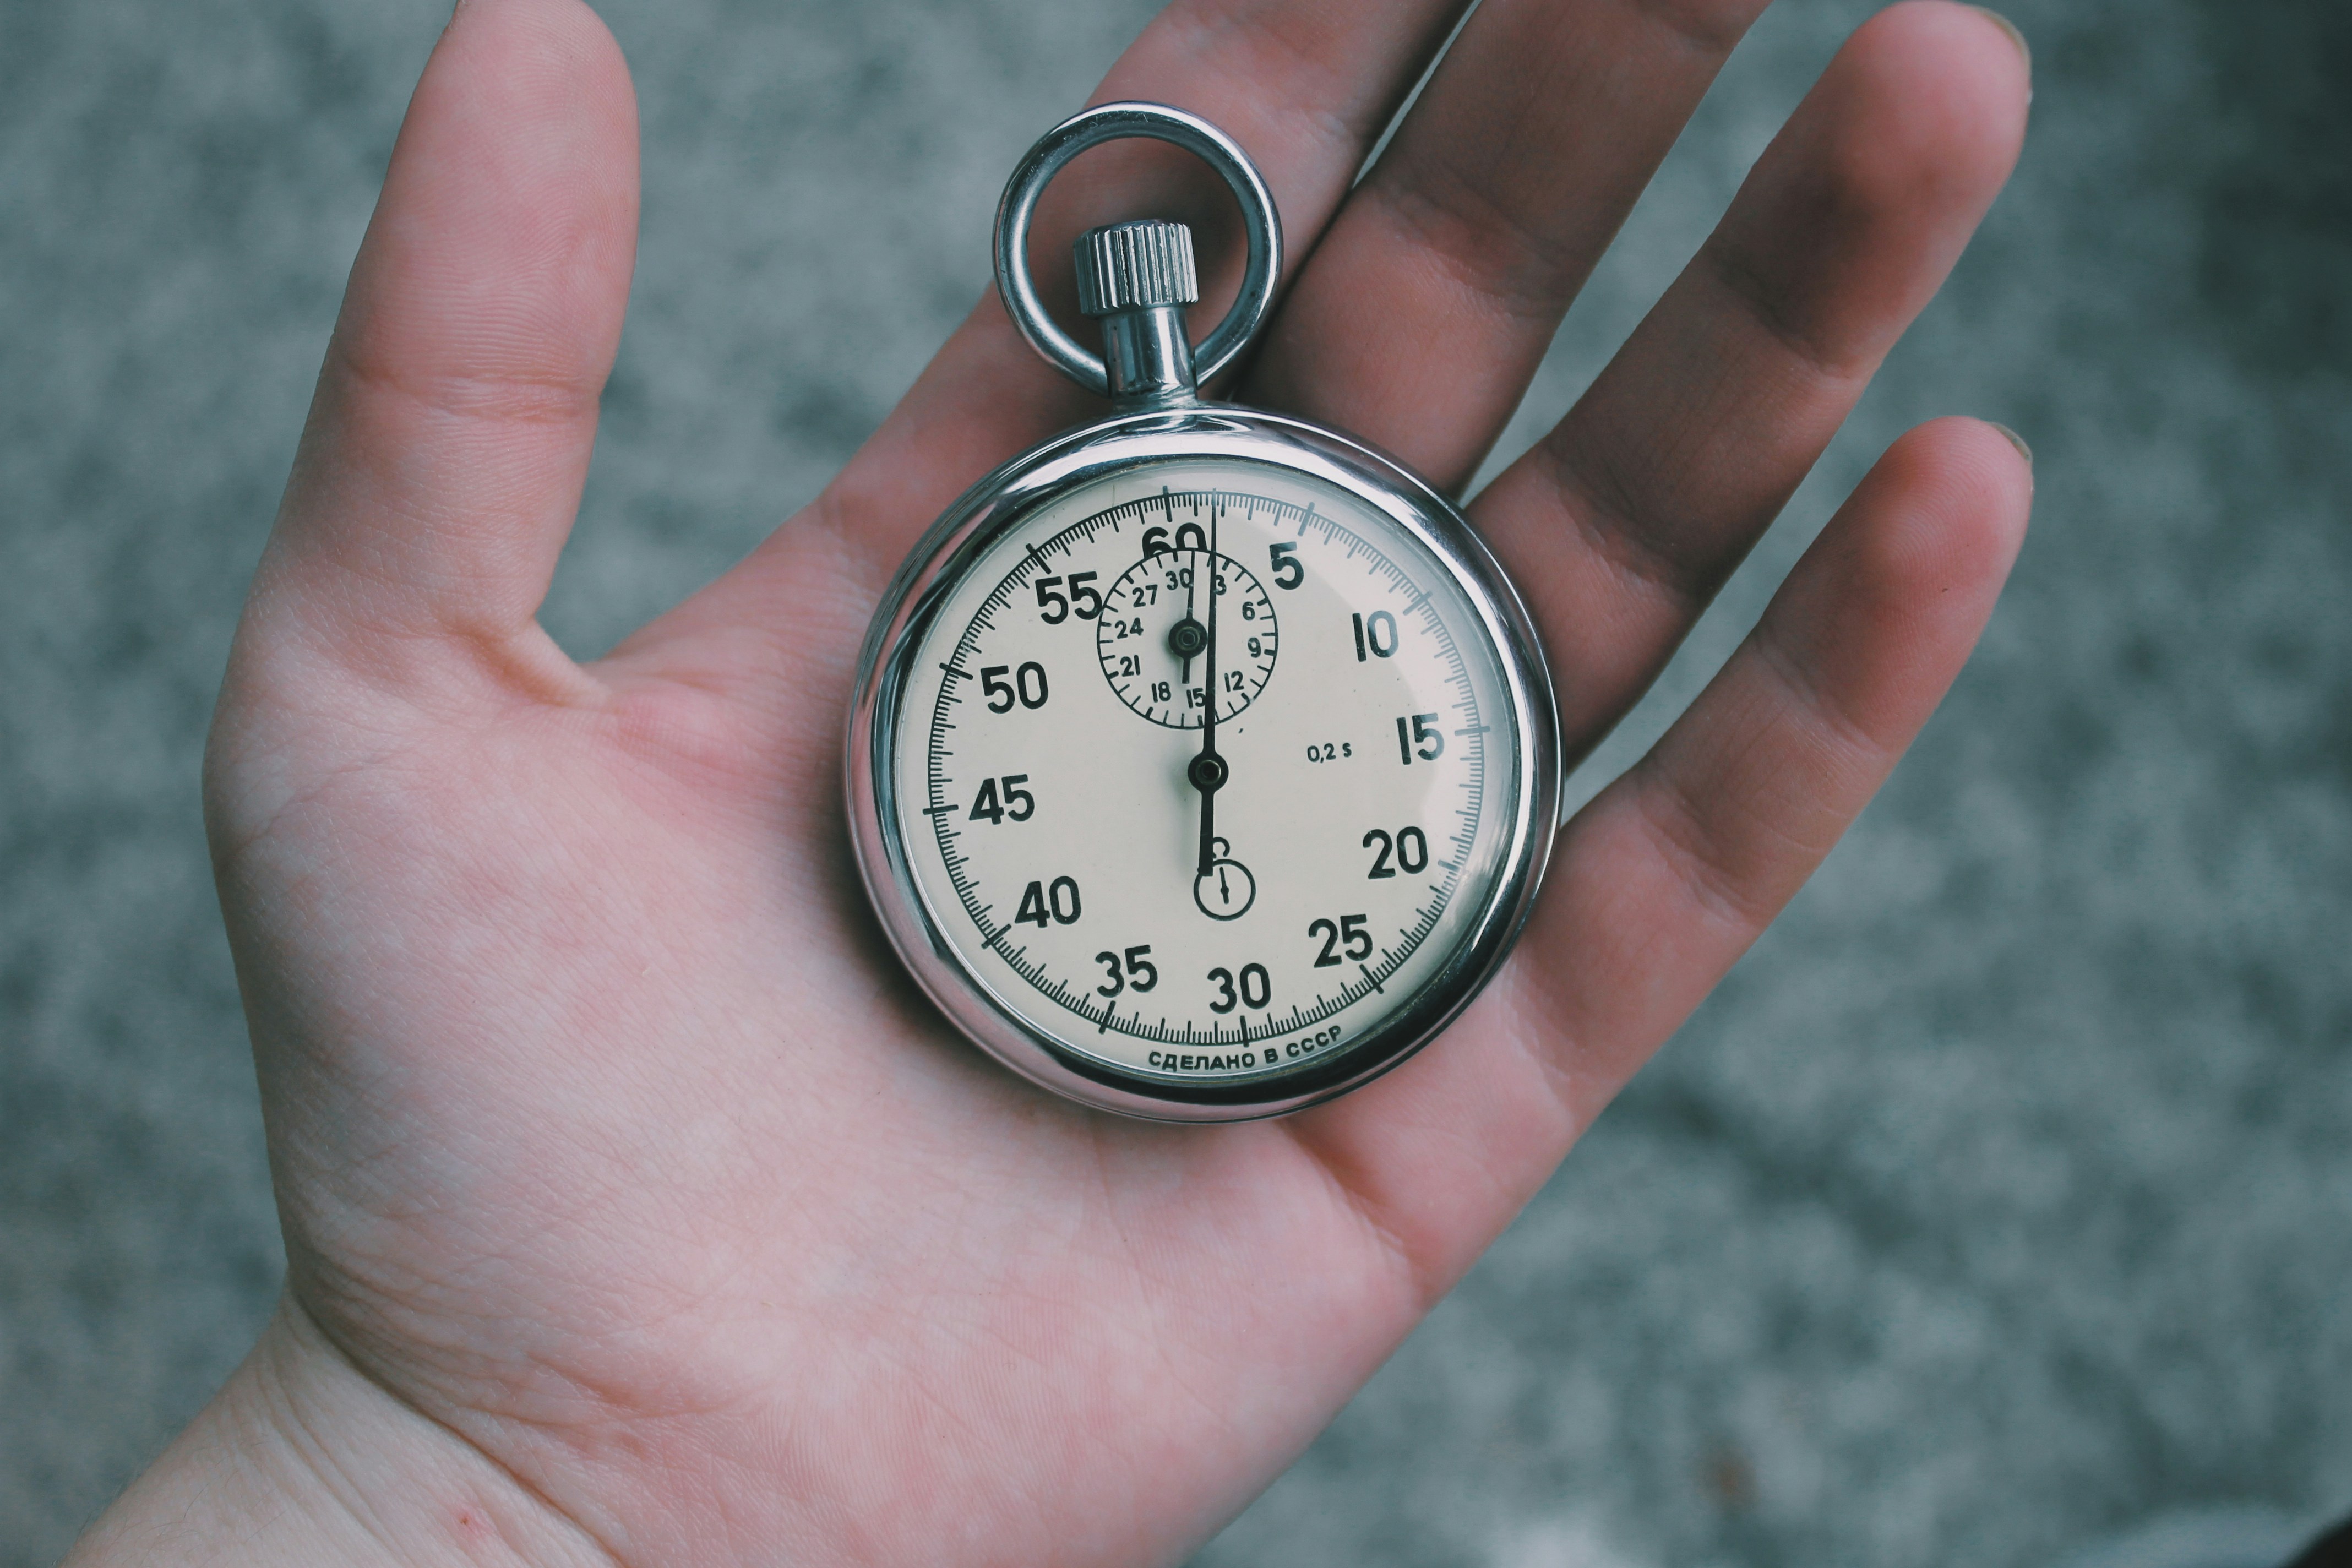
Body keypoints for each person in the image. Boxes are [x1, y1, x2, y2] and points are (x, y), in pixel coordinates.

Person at [65, 0, 2039, 1561]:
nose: (1200, 764)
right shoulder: (1006, 656)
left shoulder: (1349, 613)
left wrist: (437, 1490)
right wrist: (466, 1467)